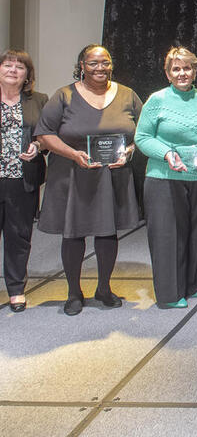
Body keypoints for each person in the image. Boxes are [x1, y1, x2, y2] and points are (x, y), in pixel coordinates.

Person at [35, 44, 141, 316]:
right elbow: (44, 133)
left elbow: (144, 131)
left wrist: (129, 152)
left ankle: (104, 288)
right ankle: (73, 292)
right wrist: (73, 154)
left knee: (108, 232)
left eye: (104, 62)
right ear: (81, 65)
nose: (100, 68)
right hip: (73, 174)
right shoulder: (64, 96)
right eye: (93, 63)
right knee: (73, 233)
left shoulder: (127, 95)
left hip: (112, 175)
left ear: (111, 65)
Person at [135, 47, 197, 309]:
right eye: (176, 69)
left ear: (195, 71)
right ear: (168, 73)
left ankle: (192, 284)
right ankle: (170, 295)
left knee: (195, 233)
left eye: (187, 68)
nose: (182, 73)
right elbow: (142, 138)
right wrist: (167, 153)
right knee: (168, 236)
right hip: (163, 177)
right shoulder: (156, 100)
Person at [0, 50, 47, 313]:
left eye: (20, 67)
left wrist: (38, 146)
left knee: (19, 236)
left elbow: (48, 134)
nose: (13, 70)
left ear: (27, 74)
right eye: (7, 65)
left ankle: (16, 289)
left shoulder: (39, 100)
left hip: (22, 179)